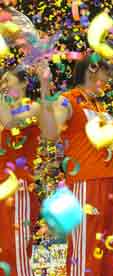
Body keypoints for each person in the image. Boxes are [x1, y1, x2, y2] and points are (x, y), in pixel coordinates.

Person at [50, 54, 113, 276]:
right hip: (85, 183)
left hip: (111, 182)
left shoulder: (99, 108)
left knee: (112, 251)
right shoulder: (68, 99)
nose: (108, 80)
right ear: (92, 70)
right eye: (106, 74)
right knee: (86, 249)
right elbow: (55, 125)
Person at [0, 61, 56, 276]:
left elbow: (11, 123)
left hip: (18, 186)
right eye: (2, 80)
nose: (3, 84)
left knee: (16, 247)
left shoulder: (32, 107)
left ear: (23, 83)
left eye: (7, 80)